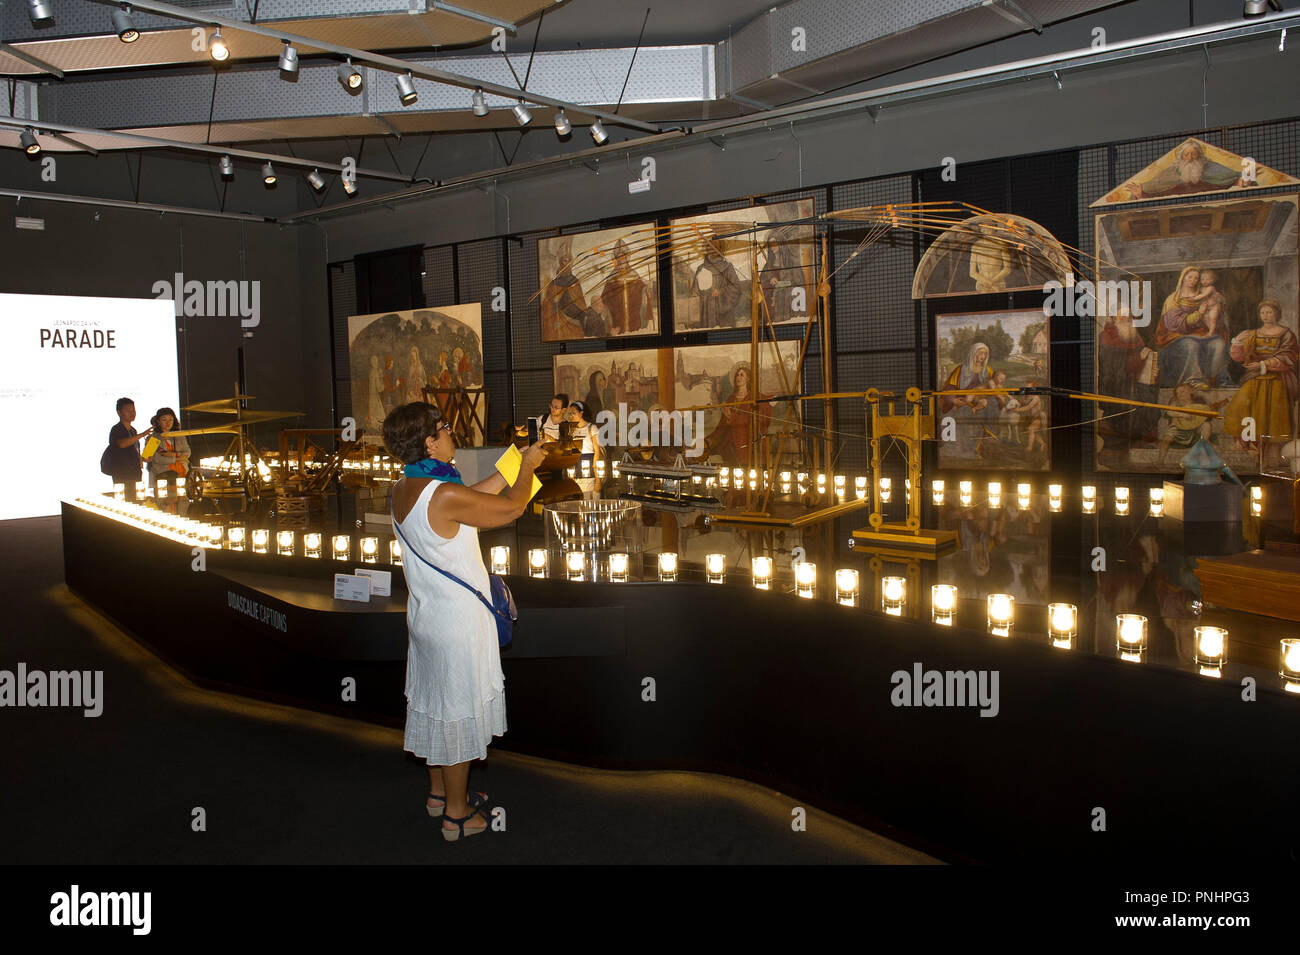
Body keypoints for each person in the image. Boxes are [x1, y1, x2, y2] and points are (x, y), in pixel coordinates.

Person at [384, 401, 546, 841]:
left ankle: (438, 794)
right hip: (457, 623)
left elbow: (478, 494)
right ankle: (456, 816)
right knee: (456, 715)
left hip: (426, 618)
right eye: (443, 428)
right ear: (429, 442)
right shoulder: (443, 494)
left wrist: (515, 459)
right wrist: (529, 467)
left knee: (436, 708)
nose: (451, 431)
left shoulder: (406, 487)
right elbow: (511, 507)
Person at [1223, 298, 1298, 461]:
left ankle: (1271, 456)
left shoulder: (1286, 334)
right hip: (1255, 378)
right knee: (1239, 405)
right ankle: (1246, 444)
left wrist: (1264, 364)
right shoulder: (1253, 334)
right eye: (1263, 312)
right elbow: (1239, 357)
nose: (1266, 315)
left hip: (1278, 379)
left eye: (1269, 312)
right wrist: (1237, 342)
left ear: (1277, 314)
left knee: (1272, 417)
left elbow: (1290, 357)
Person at [107, 398, 151, 500]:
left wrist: (143, 458)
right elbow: (122, 444)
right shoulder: (116, 429)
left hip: (135, 472)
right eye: (128, 410)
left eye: (133, 410)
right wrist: (142, 434)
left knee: (137, 500)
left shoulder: (133, 431)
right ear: (119, 412)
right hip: (122, 473)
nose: (132, 413)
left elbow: (134, 451)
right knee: (124, 501)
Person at [147, 407, 191, 490]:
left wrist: (174, 454)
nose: (168, 423)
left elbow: (188, 451)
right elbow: (156, 459)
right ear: (158, 421)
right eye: (164, 420)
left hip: (182, 473)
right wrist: (177, 458)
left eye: (170, 420)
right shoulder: (152, 438)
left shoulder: (179, 435)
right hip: (162, 477)